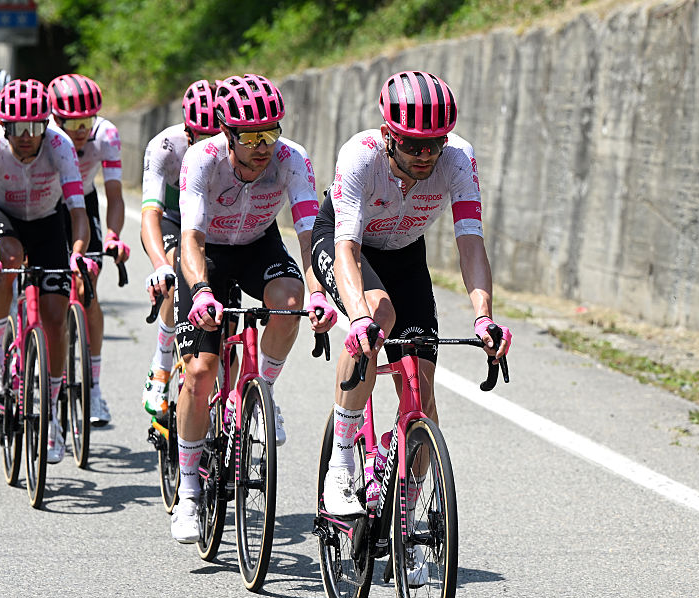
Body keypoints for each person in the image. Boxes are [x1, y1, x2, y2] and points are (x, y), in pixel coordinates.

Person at [311, 71, 512, 524]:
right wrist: (360, 317)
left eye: (433, 144)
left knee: (420, 388)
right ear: (387, 136)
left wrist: (484, 318)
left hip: (405, 253)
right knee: (379, 315)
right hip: (349, 244)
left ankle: (405, 515)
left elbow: (471, 242)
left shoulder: (458, 159)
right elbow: (345, 247)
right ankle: (341, 462)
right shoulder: (360, 156)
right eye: (412, 145)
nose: (424, 155)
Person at [169, 73, 335, 543]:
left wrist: (321, 291)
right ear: (226, 133)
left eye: (270, 133)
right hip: (211, 255)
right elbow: (191, 238)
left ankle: (262, 387)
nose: (263, 146)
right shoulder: (201, 160)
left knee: (290, 301)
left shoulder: (292, 159)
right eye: (251, 137)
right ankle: (188, 493)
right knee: (200, 374)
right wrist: (201, 289)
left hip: (260, 244)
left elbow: (309, 235)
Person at [0, 79, 91, 463]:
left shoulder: (59, 145)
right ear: (4, 127)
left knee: (56, 319)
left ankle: (51, 412)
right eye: (18, 129)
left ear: (45, 126)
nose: (27, 137)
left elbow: (77, 210)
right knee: (5, 261)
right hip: (6, 218)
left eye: (35, 128)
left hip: (47, 221)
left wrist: (76, 254)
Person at [47, 73, 131, 427]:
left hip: (83, 202)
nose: (82, 129)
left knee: (88, 289)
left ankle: (93, 388)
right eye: (73, 122)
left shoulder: (105, 135)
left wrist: (112, 235)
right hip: (43, 204)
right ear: (54, 118)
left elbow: (114, 194)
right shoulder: (44, 135)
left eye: (88, 121)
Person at [138, 78, 219, 417]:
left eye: (216, 137)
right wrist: (159, 264)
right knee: (176, 274)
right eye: (200, 137)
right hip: (176, 221)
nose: (208, 146)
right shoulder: (165, 148)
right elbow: (150, 214)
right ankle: (160, 365)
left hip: (217, 227)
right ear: (188, 132)